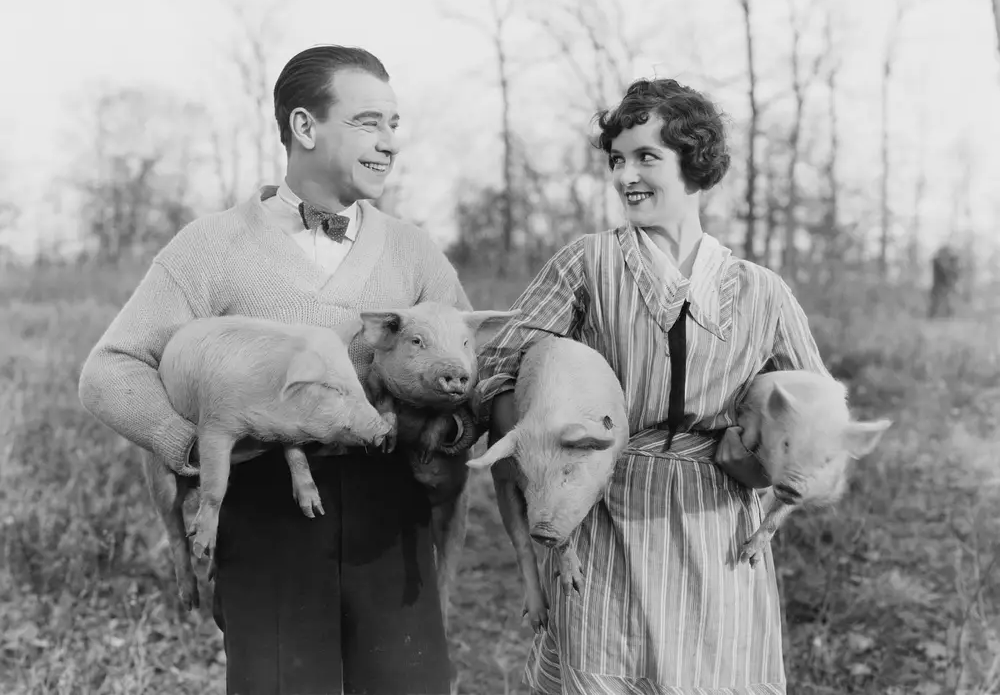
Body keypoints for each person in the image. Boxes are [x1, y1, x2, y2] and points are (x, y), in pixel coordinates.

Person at [78, 45, 468, 695]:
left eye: (394, 125)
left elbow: (469, 380)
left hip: (392, 528)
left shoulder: (414, 253)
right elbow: (110, 370)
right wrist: (191, 449)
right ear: (304, 127)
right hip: (266, 526)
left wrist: (441, 434)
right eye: (369, 122)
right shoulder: (211, 248)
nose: (389, 142)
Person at [475, 78, 831, 695]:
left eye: (647, 157)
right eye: (617, 159)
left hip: (716, 528)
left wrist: (774, 476)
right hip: (608, 511)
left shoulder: (761, 290)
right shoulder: (586, 263)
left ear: (693, 163)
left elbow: (821, 415)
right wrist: (548, 444)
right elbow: (499, 367)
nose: (625, 175)